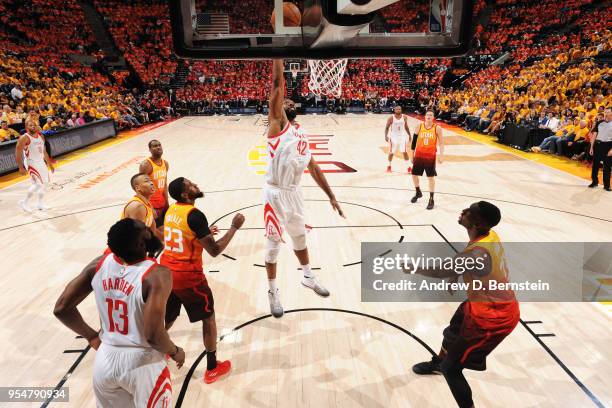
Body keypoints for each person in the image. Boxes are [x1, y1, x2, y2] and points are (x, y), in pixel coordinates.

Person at [53, 219, 185, 407]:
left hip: (105, 360)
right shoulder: (157, 275)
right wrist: (175, 352)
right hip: (143, 364)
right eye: (145, 229)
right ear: (141, 242)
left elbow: (61, 308)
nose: (150, 229)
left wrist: (91, 336)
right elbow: (153, 335)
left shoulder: (97, 265)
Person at [410, 201, 520, 408]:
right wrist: (458, 272)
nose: (463, 211)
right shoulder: (488, 235)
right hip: (480, 303)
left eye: (469, 211)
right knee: (452, 331)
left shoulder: (478, 252)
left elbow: (442, 270)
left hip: (493, 319)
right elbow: (467, 263)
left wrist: (412, 267)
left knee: (453, 368)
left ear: (477, 222)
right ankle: (438, 364)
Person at [265, 59, 345, 319]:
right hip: (275, 194)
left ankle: (308, 277)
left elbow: (315, 168)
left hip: (295, 193)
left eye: (289, 103)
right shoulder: (277, 127)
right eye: (281, 103)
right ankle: (273, 291)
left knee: (300, 238)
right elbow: (278, 85)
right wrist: (278, 54)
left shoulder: (301, 135)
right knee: (274, 245)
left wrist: (331, 196)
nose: (285, 103)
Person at [161, 177, 245, 384]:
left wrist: (204, 234)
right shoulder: (195, 216)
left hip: (166, 272)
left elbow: (178, 235)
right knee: (208, 318)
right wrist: (234, 227)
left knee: (170, 315)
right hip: (188, 276)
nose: (196, 185)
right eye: (190, 185)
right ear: (184, 194)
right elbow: (214, 250)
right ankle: (212, 368)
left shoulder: (171, 210)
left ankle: (161, 347)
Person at [15, 119, 54, 212]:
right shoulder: (24, 137)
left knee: (45, 183)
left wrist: (50, 164)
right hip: (31, 162)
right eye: (30, 125)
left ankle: (40, 203)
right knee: (37, 184)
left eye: (34, 125)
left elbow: (44, 152)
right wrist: (20, 167)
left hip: (41, 162)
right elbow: (18, 152)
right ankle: (24, 202)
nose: (33, 127)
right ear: (26, 127)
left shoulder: (41, 136)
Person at [410, 110, 444, 210]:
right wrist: (412, 155)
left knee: (430, 177)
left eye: (431, 115)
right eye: (427, 115)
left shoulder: (437, 128)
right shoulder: (419, 126)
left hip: (430, 156)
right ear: (424, 117)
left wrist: (441, 155)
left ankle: (431, 199)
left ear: (433, 117)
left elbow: (441, 143)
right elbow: (413, 142)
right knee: (414, 175)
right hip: (419, 155)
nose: (429, 116)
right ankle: (418, 192)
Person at [122, 173, 164, 241]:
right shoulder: (137, 206)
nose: (151, 183)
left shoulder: (146, 202)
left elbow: (153, 229)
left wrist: (167, 241)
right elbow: (135, 236)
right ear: (138, 188)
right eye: (147, 181)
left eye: (151, 180)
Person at [140, 140, 169, 227]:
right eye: (155, 146)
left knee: (164, 229)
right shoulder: (146, 165)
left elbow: (164, 184)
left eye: (159, 145)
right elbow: (141, 188)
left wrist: (167, 202)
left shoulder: (165, 163)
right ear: (150, 149)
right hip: (152, 204)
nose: (158, 147)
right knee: (155, 232)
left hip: (162, 202)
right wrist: (150, 208)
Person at [588, 108, 611, 191]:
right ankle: (594, 181)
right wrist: (591, 147)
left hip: (608, 145)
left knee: (607, 167)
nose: (606, 113)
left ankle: (607, 185)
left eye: (608, 112)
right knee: (595, 165)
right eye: (605, 112)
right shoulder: (599, 122)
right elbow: (594, 135)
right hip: (598, 145)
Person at [384, 105, 412, 173]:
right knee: (391, 152)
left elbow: (406, 126)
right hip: (393, 136)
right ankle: (389, 166)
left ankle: (408, 167)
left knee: (404, 152)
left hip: (402, 136)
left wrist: (409, 134)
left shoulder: (404, 117)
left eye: (400, 109)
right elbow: (387, 127)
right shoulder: (391, 118)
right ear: (394, 110)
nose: (398, 110)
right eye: (397, 109)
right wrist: (386, 136)